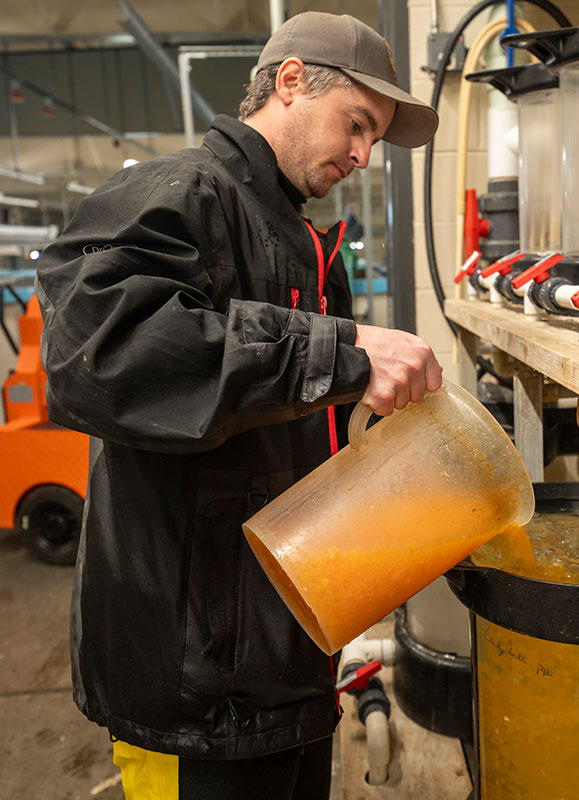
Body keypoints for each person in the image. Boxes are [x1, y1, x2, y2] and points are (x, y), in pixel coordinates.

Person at [35, 11, 441, 799]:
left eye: (373, 138)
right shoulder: (180, 191)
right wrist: (337, 352)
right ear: (291, 82)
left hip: (283, 664)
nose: (362, 155)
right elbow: (103, 357)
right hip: (196, 684)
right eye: (356, 125)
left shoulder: (301, 241)